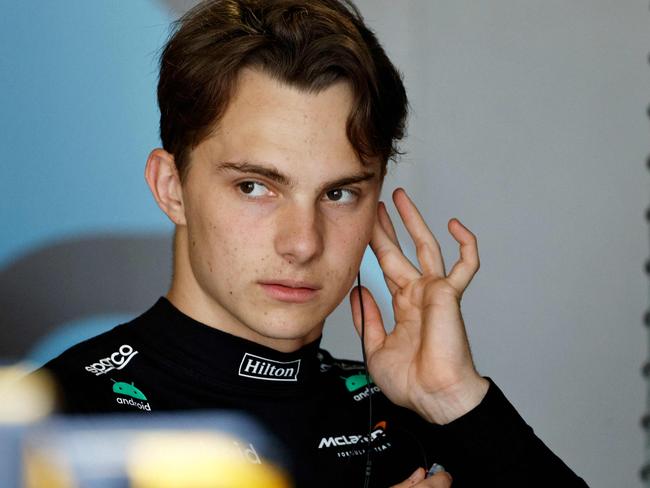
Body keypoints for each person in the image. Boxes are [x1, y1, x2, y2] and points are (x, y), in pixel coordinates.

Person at [35, 0, 588, 486]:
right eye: (255, 186)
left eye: (340, 193)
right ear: (171, 187)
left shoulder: (417, 408)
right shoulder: (51, 422)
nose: (302, 243)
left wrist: (455, 399)